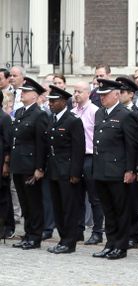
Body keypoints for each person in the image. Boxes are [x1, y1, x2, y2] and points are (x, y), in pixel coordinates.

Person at [91, 79, 138, 260]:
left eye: (106, 95)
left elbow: (131, 146)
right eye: (100, 95)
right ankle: (110, 243)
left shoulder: (126, 115)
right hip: (101, 169)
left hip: (118, 171)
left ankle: (121, 246)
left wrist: (130, 170)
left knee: (121, 210)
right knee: (108, 210)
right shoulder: (100, 114)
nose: (102, 98)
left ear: (117, 95)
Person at [45, 85, 85, 254]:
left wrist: (75, 173)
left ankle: (69, 241)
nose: (50, 104)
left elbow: (78, 149)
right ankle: (62, 238)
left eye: (54, 101)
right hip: (54, 170)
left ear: (63, 101)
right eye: (49, 101)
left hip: (68, 171)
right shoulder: (52, 119)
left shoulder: (73, 120)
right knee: (58, 207)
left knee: (69, 208)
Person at [10, 77, 48, 250]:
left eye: (25, 92)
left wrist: (39, 167)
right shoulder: (19, 112)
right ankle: (27, 233)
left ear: (34, 96)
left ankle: (35, 236)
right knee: (25, 203)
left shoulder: (39, 115)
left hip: (31, 164)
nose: (22, 94)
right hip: (19, 163)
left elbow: (41, 143)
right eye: (22, 91)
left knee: (33, 202)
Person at [71, 81, 104, 245]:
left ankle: (97, 232)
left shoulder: (95, 111)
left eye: (80, 91)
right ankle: (78, 231)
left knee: (94, 197)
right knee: (76, 196)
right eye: (75, 91)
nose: (76, 94)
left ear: (88, 93)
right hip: (76, 158)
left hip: (91, 156)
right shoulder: (72, 112)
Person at [116, 76, 138, 249]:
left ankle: (133, 234)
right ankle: (121, 233)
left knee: (133, 202)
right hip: (116, 163)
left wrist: (136, 167)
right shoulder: (114, 112)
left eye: (122, 92)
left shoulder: (136, 114)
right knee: (119, 202)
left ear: (131, 94)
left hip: (132, 163)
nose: (119, 95)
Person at [0, 90, 13, 240]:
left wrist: (6, 164)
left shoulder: (5, 118)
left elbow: (8, 144)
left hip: (1, 162)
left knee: (3, 197)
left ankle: (6, 227)